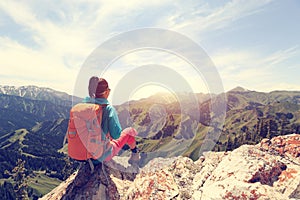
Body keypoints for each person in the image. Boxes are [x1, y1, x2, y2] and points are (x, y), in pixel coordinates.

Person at [83, 76, 140, 165]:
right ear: (106, 92)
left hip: (84, 154)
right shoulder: (108, 109)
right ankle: (135, 155)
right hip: (101, 156)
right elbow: (116, 135)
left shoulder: (85, 106)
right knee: (130, 131)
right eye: (109, 89)